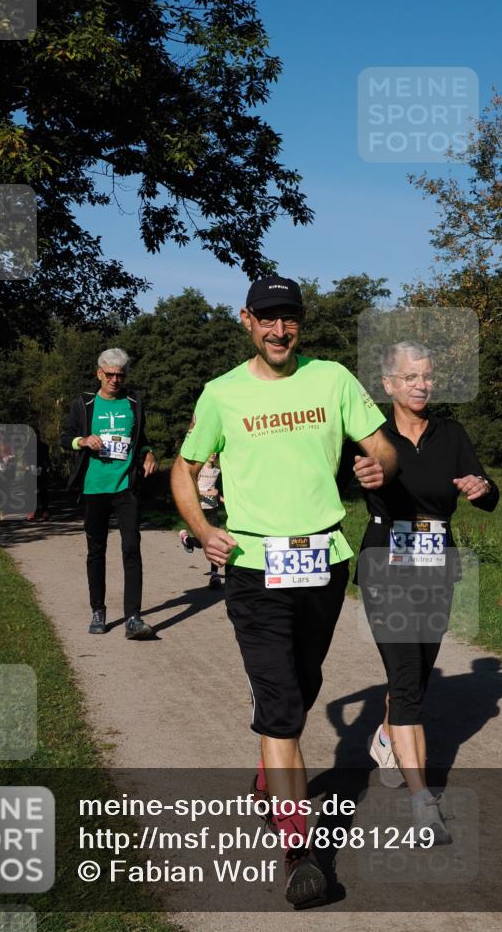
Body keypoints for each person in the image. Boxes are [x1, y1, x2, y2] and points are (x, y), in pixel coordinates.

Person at [171, 277, 397, 909]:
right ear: (247, 321)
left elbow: (383, 447)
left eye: (288, 320)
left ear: (300, 323)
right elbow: (184, 470)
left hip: (323, 559)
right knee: (281, 706)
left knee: (303, 684)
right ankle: (301, 851)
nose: (277, 330)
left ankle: (272, 771)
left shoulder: (332, 380)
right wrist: (202, 527)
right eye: (266, 319)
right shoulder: (221, 393)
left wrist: (382, 466)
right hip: (251, 564)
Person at [357, 341, 499, 843]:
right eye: (411, 377)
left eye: (428, 377)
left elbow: (488, 492)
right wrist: (361, 474)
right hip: (385, 567)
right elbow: (333, 482)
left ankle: (384, 737)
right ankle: (423, 801)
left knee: (414, 675)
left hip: (438, 568)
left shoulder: (450, 434)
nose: (422, 384)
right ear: (390, 384)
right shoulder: (371, 437)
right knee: (407, 680)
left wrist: (481, 489)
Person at [61, 348, 157, 639]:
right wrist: (82, 440)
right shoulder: (84, 403)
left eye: (121, 375)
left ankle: (133, 618)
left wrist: (148, 453)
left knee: (131, 549)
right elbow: (65, 438)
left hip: (125, 487)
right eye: (110, 374)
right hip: (94, 488)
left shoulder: (134, 402)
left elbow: (141, 439)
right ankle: (98, 611)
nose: (116, 380)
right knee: (96, 551)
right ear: (99, 374)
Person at [178, 453, 224, 589]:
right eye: (211, 451)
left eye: (216, 452)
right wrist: (209, 493)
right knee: (204, 542)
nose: (213, 454)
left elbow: (216, 491)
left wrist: (222, 499)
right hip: (198, 509)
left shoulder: (217, 471)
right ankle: (187, 540)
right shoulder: (198, 470)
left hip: (212, 509)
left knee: (216, 541)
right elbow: (191, 489)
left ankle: (214, 575)